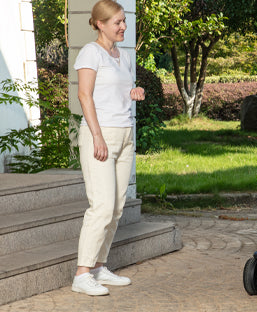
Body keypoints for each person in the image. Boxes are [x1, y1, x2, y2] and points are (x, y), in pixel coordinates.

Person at [71, 0, 145, 296]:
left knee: (115, 208)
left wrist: (133, 92)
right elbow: (84, 96)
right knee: (101, 207)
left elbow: (115, 92)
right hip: (99, 136)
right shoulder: (91, 52)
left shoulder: (122, 56)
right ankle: (82, 273)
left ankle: (100, 266)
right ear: (100, 24)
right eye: (117, 22)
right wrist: (97, 135)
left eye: (123, 20)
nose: (123, 26)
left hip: (125, 135)